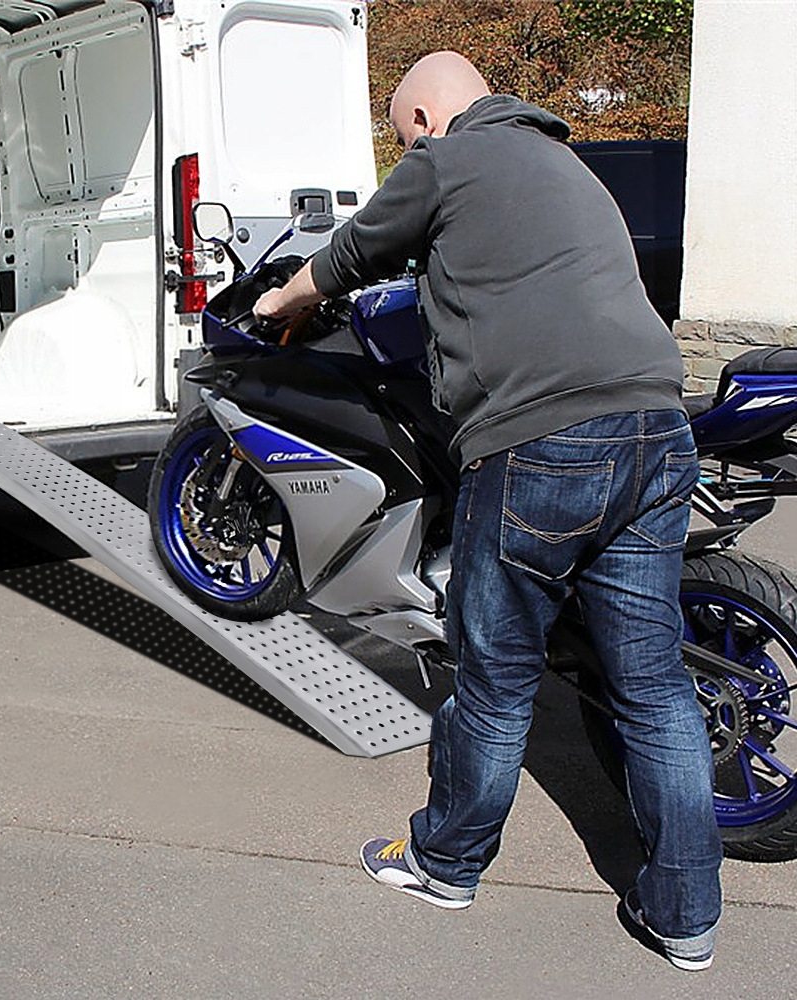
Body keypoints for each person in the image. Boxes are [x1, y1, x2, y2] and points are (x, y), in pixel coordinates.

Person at [253, 51, 722, 971]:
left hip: (543, 440)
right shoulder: (565, 162)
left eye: (404, 138)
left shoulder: (449, 158)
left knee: (496, 678)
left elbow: (350, 254)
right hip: (656, 430)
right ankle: (686, 917)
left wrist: (282, 297)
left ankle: (444, 863)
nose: (407, 152)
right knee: (654, 688)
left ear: (427, 121)